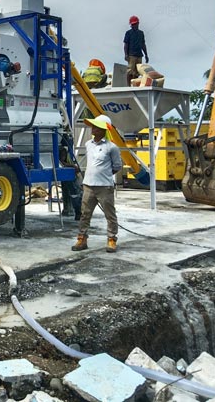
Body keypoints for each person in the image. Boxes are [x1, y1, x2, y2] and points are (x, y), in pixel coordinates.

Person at [71, 114, 122, 253]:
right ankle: (82, 239)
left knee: (110, 214)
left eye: (95, 126)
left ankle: (112, 239)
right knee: (85, 214)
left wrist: (103, 175)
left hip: (104, 186)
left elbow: (117, 166)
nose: (92, 128)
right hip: (88, 185)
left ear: (102, 129)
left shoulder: (112, 148)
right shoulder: (88, 144)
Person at [123, 16, 149, 86]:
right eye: (132, 24)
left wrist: (146, 55)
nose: (133, 26)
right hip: (131, 55)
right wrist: (126, 54)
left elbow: (143, 44)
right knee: (130, 71)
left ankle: (134, 85)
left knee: (137, 72)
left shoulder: (141, 33)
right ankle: (128, 86)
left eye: (135, 24)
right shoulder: (128, 33)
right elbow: (126, 44)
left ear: (138, 23)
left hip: (139, 55)